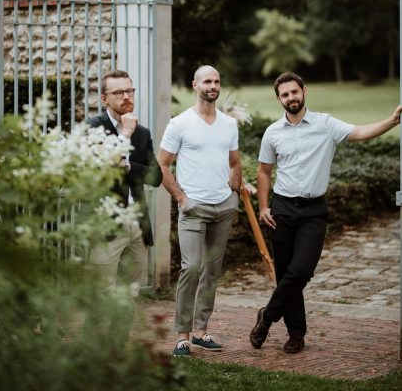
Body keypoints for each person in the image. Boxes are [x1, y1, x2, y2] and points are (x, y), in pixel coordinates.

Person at [249, 71, 401, 354]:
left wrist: (392, 121)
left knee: (301, 271)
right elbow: (264, 171)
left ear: (304, 91)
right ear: (278, 99)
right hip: (281, 209)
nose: (291, 97)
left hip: (313, 210)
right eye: (285, 94)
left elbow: (360, 132)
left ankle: (267, 316)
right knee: (286, 274)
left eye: (295, 92)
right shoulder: (273, 132)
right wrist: (264, 206)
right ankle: (296, 334)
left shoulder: (325, 124)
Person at [158, 65, 242, 357]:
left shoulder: (229, 124)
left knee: (211, 271)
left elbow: (234, 162)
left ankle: (201, 332)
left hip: (223, 207)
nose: (213, 85)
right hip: (194, 208)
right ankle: (182, 336)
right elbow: (162, 164)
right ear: (195, 84)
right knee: (191, 267)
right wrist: (182, 197)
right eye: (207, 80)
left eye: (217, 81)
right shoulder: (180, 123)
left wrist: (234, 192)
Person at [87, 69, 162, 293]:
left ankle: (123, 331)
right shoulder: (93, 128)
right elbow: (102, 170)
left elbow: (156, 177)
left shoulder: (142, 132)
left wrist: (128, 166)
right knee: (101, 293)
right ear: (104, 98)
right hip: (106, 225)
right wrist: (125, 135)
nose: (126, 97)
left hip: (138, 224)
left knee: (131, 294)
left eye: (129, 90)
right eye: (118, 92)